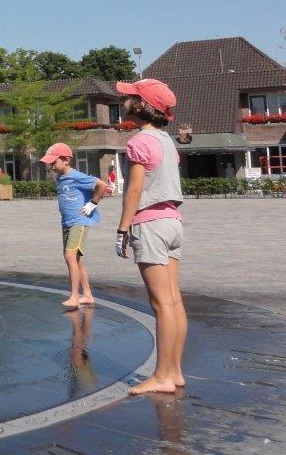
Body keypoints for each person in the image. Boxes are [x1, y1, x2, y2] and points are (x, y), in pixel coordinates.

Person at [114, 79, 187, 395]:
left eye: (130, 97)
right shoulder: (167, 141)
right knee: (173, 300)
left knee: (161, 304)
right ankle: (174, 371)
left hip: (151, 224)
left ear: (142, 106)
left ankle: (161, 376)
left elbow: (134, 189)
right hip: (172, 221)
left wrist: (122, 228)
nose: (125, 100)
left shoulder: (140, 142)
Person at [40, 143, 108, 309]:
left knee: (70, 256)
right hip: (67, 222)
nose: (51, 166)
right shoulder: (61, 178)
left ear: (66, 160)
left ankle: (74, 296)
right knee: (76, 259)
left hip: (79, 221)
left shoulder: (76, 176)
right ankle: (87, 295)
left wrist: (93, 203)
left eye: (53, 162)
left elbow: (102, 185)